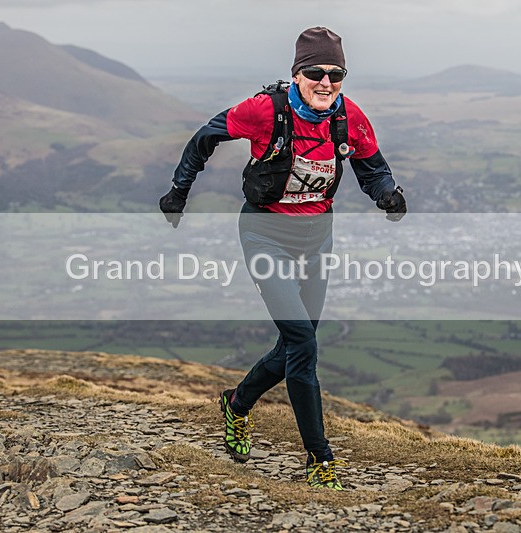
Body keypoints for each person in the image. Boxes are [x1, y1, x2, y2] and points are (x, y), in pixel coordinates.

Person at [159, 27, 406, 490]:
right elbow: (205, 137)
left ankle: (237, 404)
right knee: (305, 346)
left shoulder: (348, 116)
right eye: (315, 72)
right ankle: (320, 459)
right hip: (265, 234)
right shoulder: (264, 110)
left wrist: (387, 195)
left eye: (336, 73)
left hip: (317, 238)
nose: (326, 82)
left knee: (296, 343)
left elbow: (372, 165)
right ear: (297, 74)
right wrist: (179, 189)